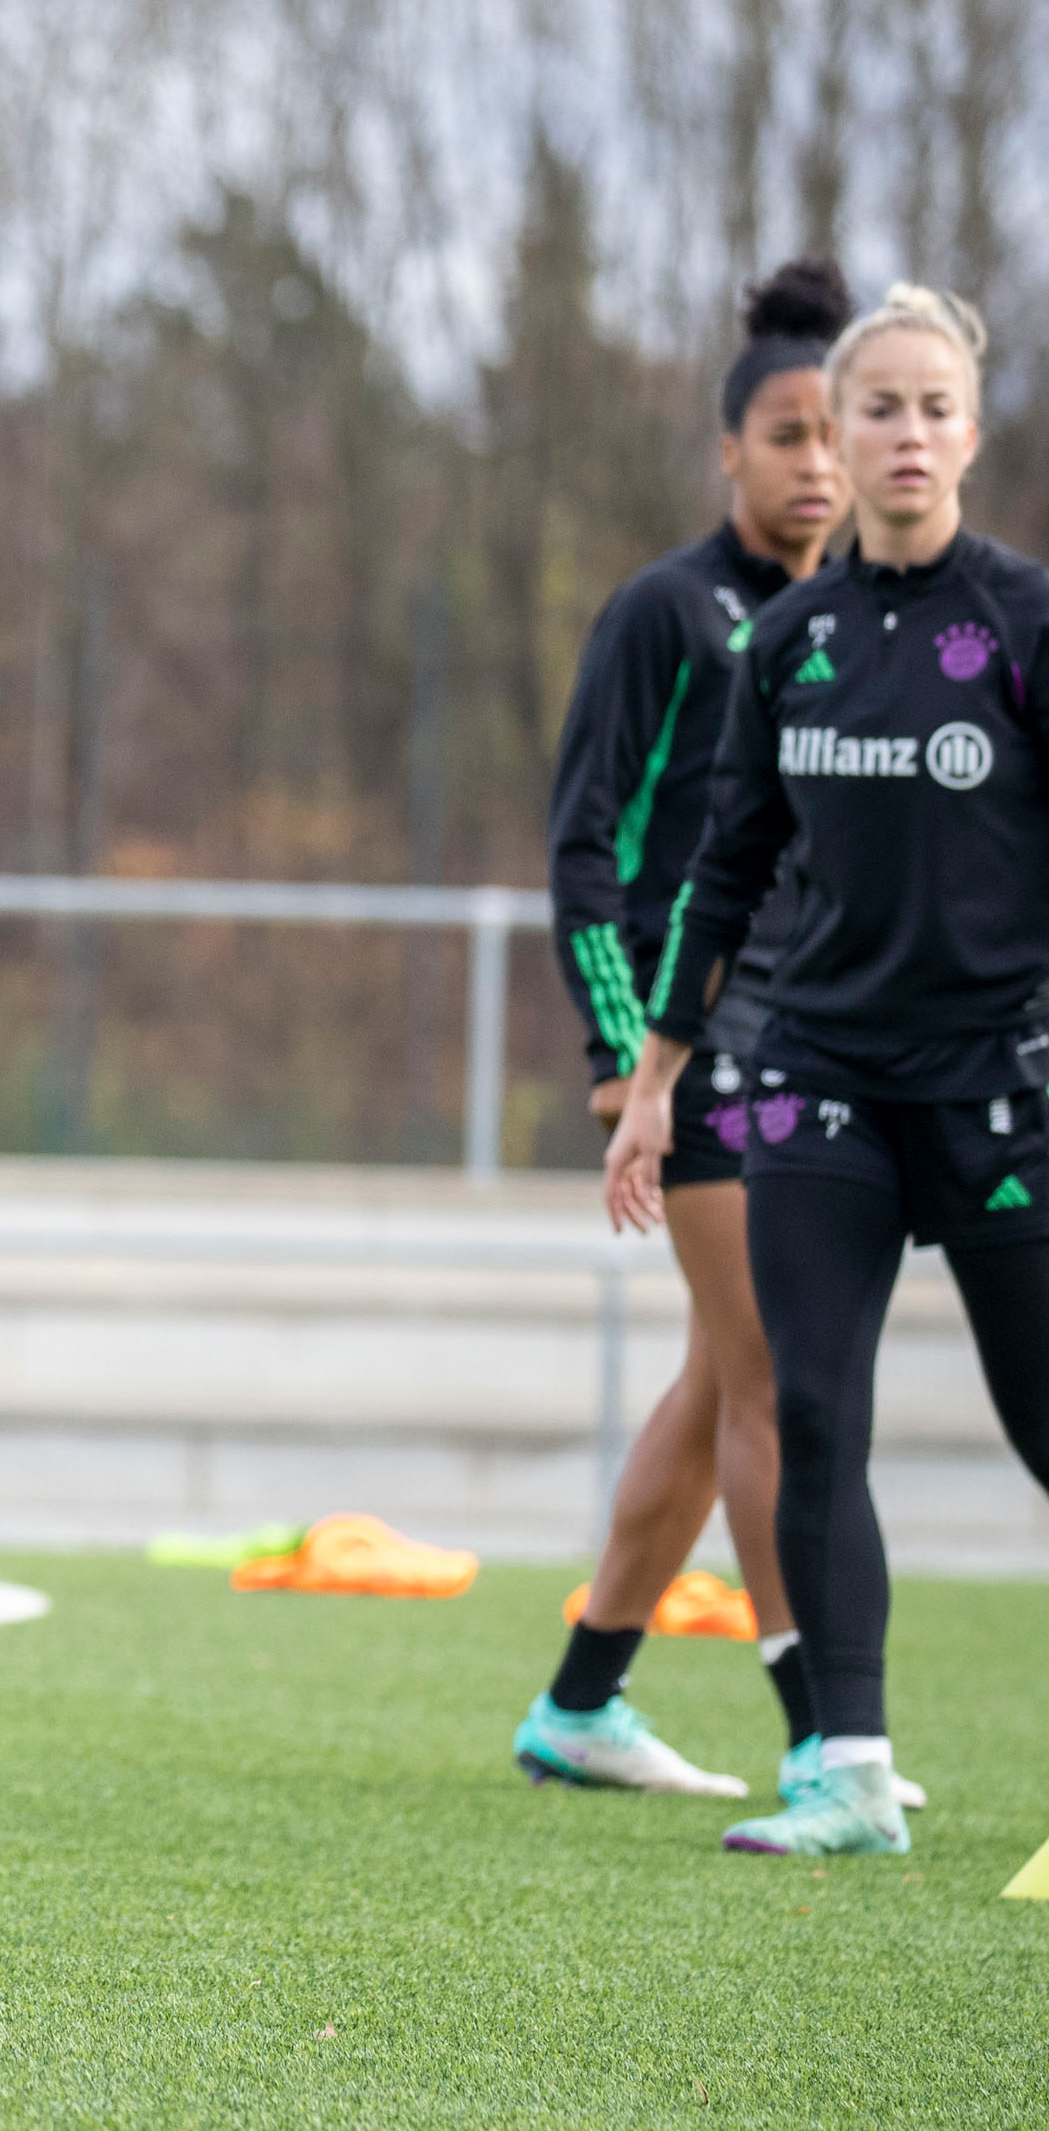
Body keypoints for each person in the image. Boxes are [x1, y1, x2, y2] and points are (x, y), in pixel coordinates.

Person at [608, 282, 1049, 1857]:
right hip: (816, 1091)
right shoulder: (786, 641)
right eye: (881, 408)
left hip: (1000, 1091)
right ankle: (846, 1774)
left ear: (974, 434)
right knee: (811, 1409)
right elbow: (723, 874)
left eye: (936, 407)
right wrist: (657, 1074)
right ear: (839, 432)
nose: (908, 433)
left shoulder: (1024, 625)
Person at [513, 261, 852, 1799]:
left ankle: (583, 1700)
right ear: (733, 450)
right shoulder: (670, 610)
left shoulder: (864, 629)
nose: (819, 463)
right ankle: (825, 1733)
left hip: (813, 1041)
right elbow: (586, 842)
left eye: (836, 433)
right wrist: (614, 1051)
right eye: (789, 434)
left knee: (724, 1379)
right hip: (688, 1036)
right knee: (773, 1367)